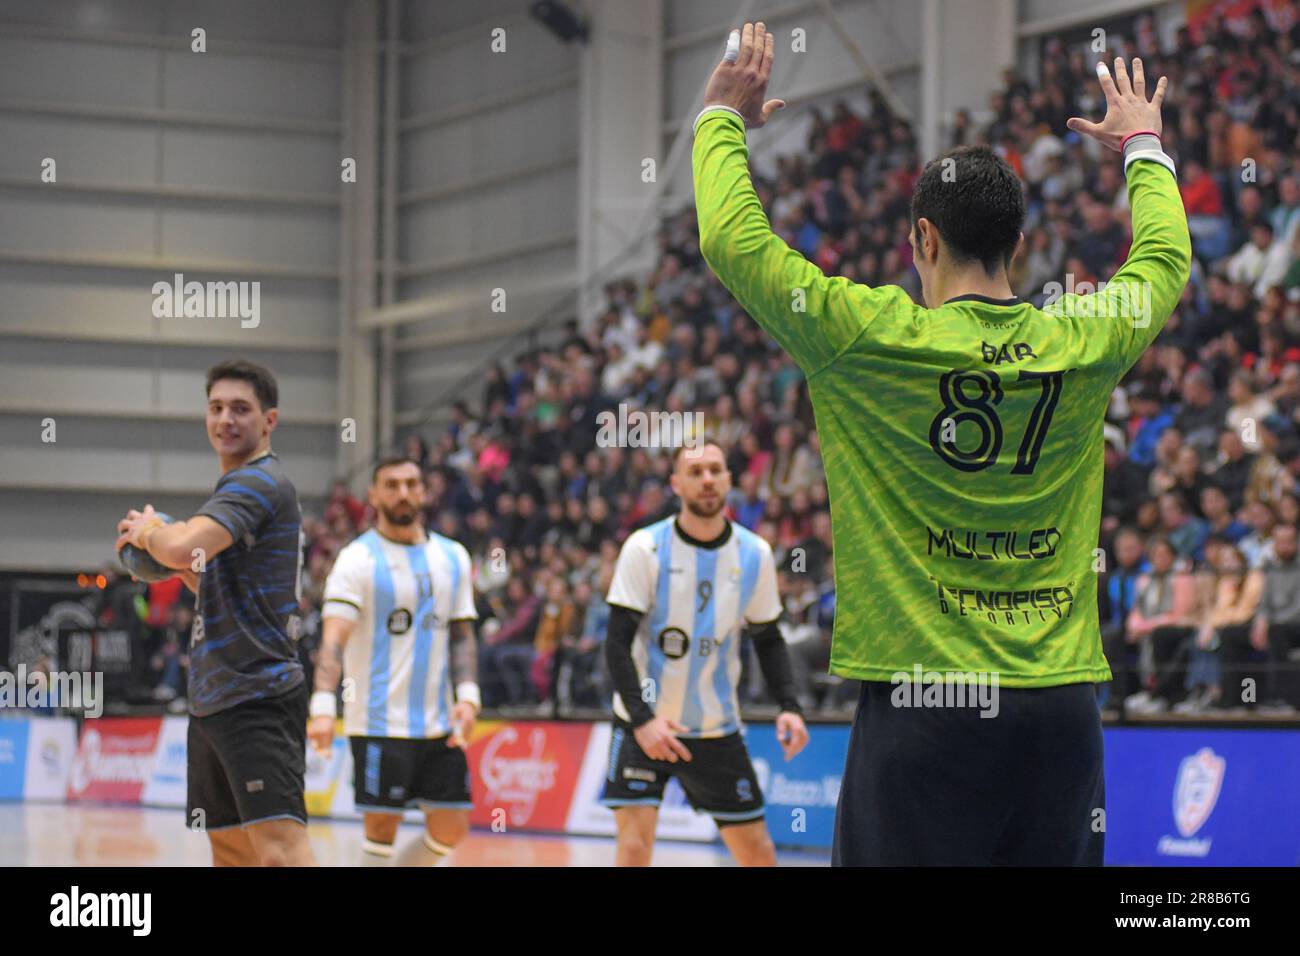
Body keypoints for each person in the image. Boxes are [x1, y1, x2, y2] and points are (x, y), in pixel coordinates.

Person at [694, 24, 1189, 864]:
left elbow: (733, 243)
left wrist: (719, 122)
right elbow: (1164, 262)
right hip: (1060, 714)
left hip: (925, 711)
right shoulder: (1084, 336)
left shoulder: (865, 336)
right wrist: (1143, 144)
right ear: (1021, 247)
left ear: (923, 239)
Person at [115, 359, 315, 866]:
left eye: (241, 409)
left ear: (269, 420)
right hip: (215, 701)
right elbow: (209, 581)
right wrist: (171, 553)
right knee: (230, 851)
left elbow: (181, 548)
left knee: (280, 854)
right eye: (217, 407)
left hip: (257, 693)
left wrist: (150, 532)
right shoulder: (237, 489)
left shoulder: (258, 483)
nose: (226, 419)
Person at [601, 440, 809, 866]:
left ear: (730, 479)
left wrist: (789, 705)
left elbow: (768, 638)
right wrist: (643, 720)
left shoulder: (755, 553)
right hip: (643, 726)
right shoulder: (645, 548)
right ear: (676, 484)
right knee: (634, 849)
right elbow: (616, 642)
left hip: (715, 726)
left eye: (716, 470)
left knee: (758, 853)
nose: (708, 480)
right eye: (695, 473)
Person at [310, 457, 480, 866]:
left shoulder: (453, 556)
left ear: (424, 491)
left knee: (452, 827)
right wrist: (321, 705)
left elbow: (461, 635)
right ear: (373, 494)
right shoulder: (357, 559)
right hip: (377, 721)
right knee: (381, 831)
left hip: (439, 723)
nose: (402, 493)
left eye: (410, 484)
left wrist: (469, 695)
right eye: (391, 485)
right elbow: (333, 639)